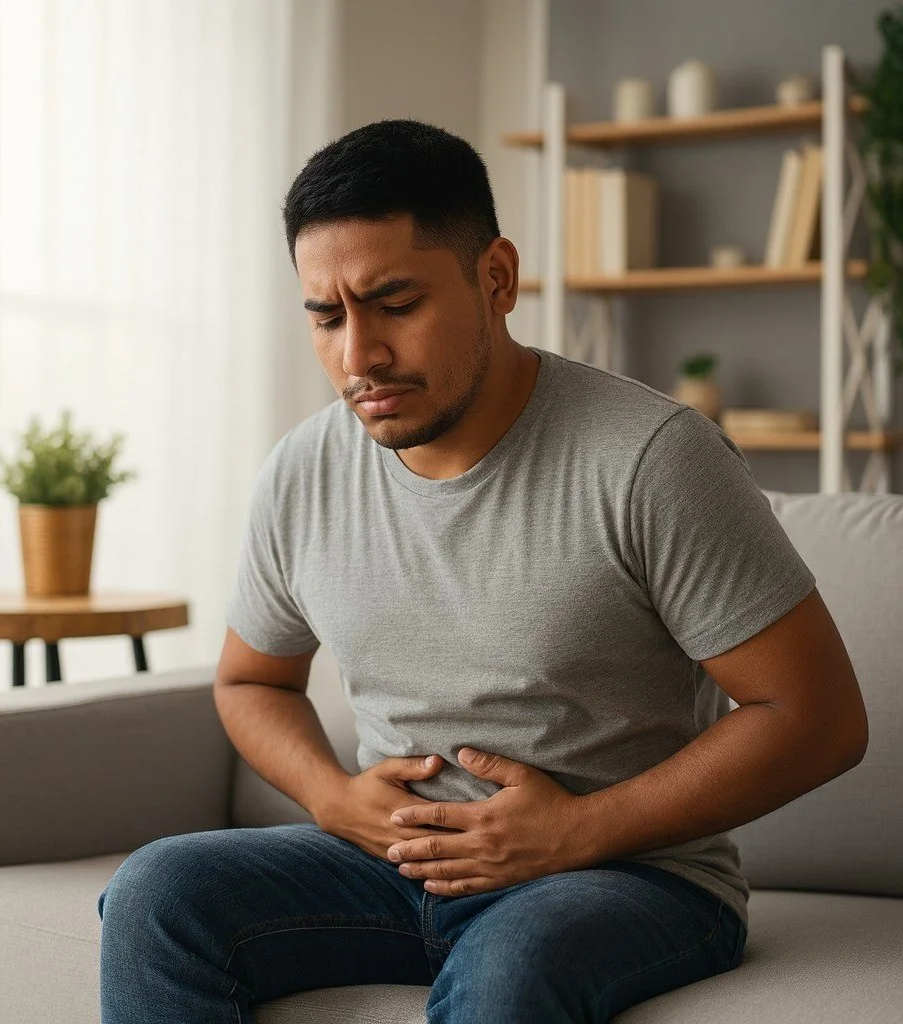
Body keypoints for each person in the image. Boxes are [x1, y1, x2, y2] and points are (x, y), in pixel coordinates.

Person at [98, 119, 868, 1023]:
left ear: (496, 278)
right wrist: (333, 798)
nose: (358, 357)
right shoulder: (305, 470)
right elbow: (250, 682)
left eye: (394, 302)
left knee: (512, 972)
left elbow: (817, 719)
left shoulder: (652, 458)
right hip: (389, 869)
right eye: (325, 315)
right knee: (158, 893)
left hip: (621, 878)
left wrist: (575, 831)